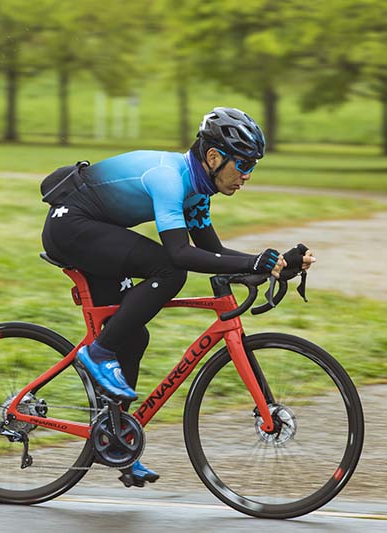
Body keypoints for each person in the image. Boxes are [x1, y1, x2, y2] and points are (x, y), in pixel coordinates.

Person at [41, 107, 315, 486]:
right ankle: (97, 353)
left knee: (133, 334)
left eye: (253, 166)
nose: (247, 176)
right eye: (244, 164)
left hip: (95, 231)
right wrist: (257, 260)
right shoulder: (171, 179)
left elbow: (216, 255)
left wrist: (279, 264)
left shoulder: (198, 194)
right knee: (170, 271)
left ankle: (115, 440)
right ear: (215, 158)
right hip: (71, 226)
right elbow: (181, 255)